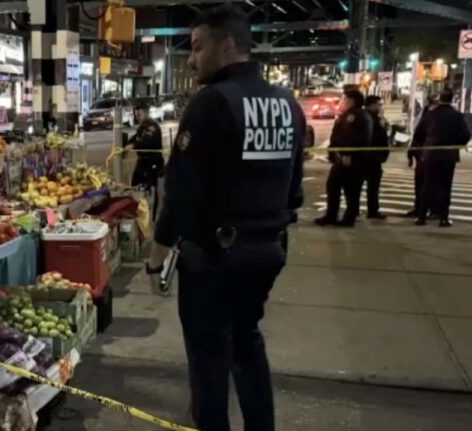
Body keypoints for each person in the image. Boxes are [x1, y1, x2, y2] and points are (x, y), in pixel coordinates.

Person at [145, 6, 306, 430]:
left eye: (198, 47)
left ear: (228, 45)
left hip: (214, 257)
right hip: (268, 251)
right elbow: (296, 188)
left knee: (208, 358)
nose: (191, 58)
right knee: (247, 344)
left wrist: (156, 257)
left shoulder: (212, 102)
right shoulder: (287, 104)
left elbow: (179, 191)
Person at [413, 87, 471, 227]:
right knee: (445, 186)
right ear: (452, 99)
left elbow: (418, 133)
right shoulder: (457, 115)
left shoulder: (430, 114)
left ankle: (421, 217)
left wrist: (424, 145)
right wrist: (456, 144)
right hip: (448, 155)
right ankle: (443, 218)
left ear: (440, 98)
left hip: (430, 154)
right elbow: (466, 134)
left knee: (427, 185)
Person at [314, 89, 373, 227]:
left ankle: (349, 218)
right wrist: (333, 151)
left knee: (352, 190)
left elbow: (358, 138)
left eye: (344, 99)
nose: (342, 102)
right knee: (333, 186)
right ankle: (331, 215)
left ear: (351, 100)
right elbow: (338, 135)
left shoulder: (357, 116)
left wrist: (350, 154)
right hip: (341, 158)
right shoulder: (347, 115)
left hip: (352, 160)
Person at [125, 101, 165, 217]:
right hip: (143, 162)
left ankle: (150, 216)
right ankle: (139, 212)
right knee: (135, 186)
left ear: (146, 113)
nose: (137, 117)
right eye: (136, 115)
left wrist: (133, 145)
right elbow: (135, 138)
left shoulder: (151, 126)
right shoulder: (143, 126)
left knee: (149, 190)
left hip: (152, 163)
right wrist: (126, 146)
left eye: (139, 115)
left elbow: (147, 141)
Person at [362, 95, 390, 219]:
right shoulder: (368, 118)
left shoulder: (373, 117)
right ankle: (372, 210)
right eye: (378, 104)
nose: (380, 107)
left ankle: (372, 210)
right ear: (372, 105)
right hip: (370, 157)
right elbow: (378, 136)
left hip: (371, 157)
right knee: (372, 186)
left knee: (372, 186)